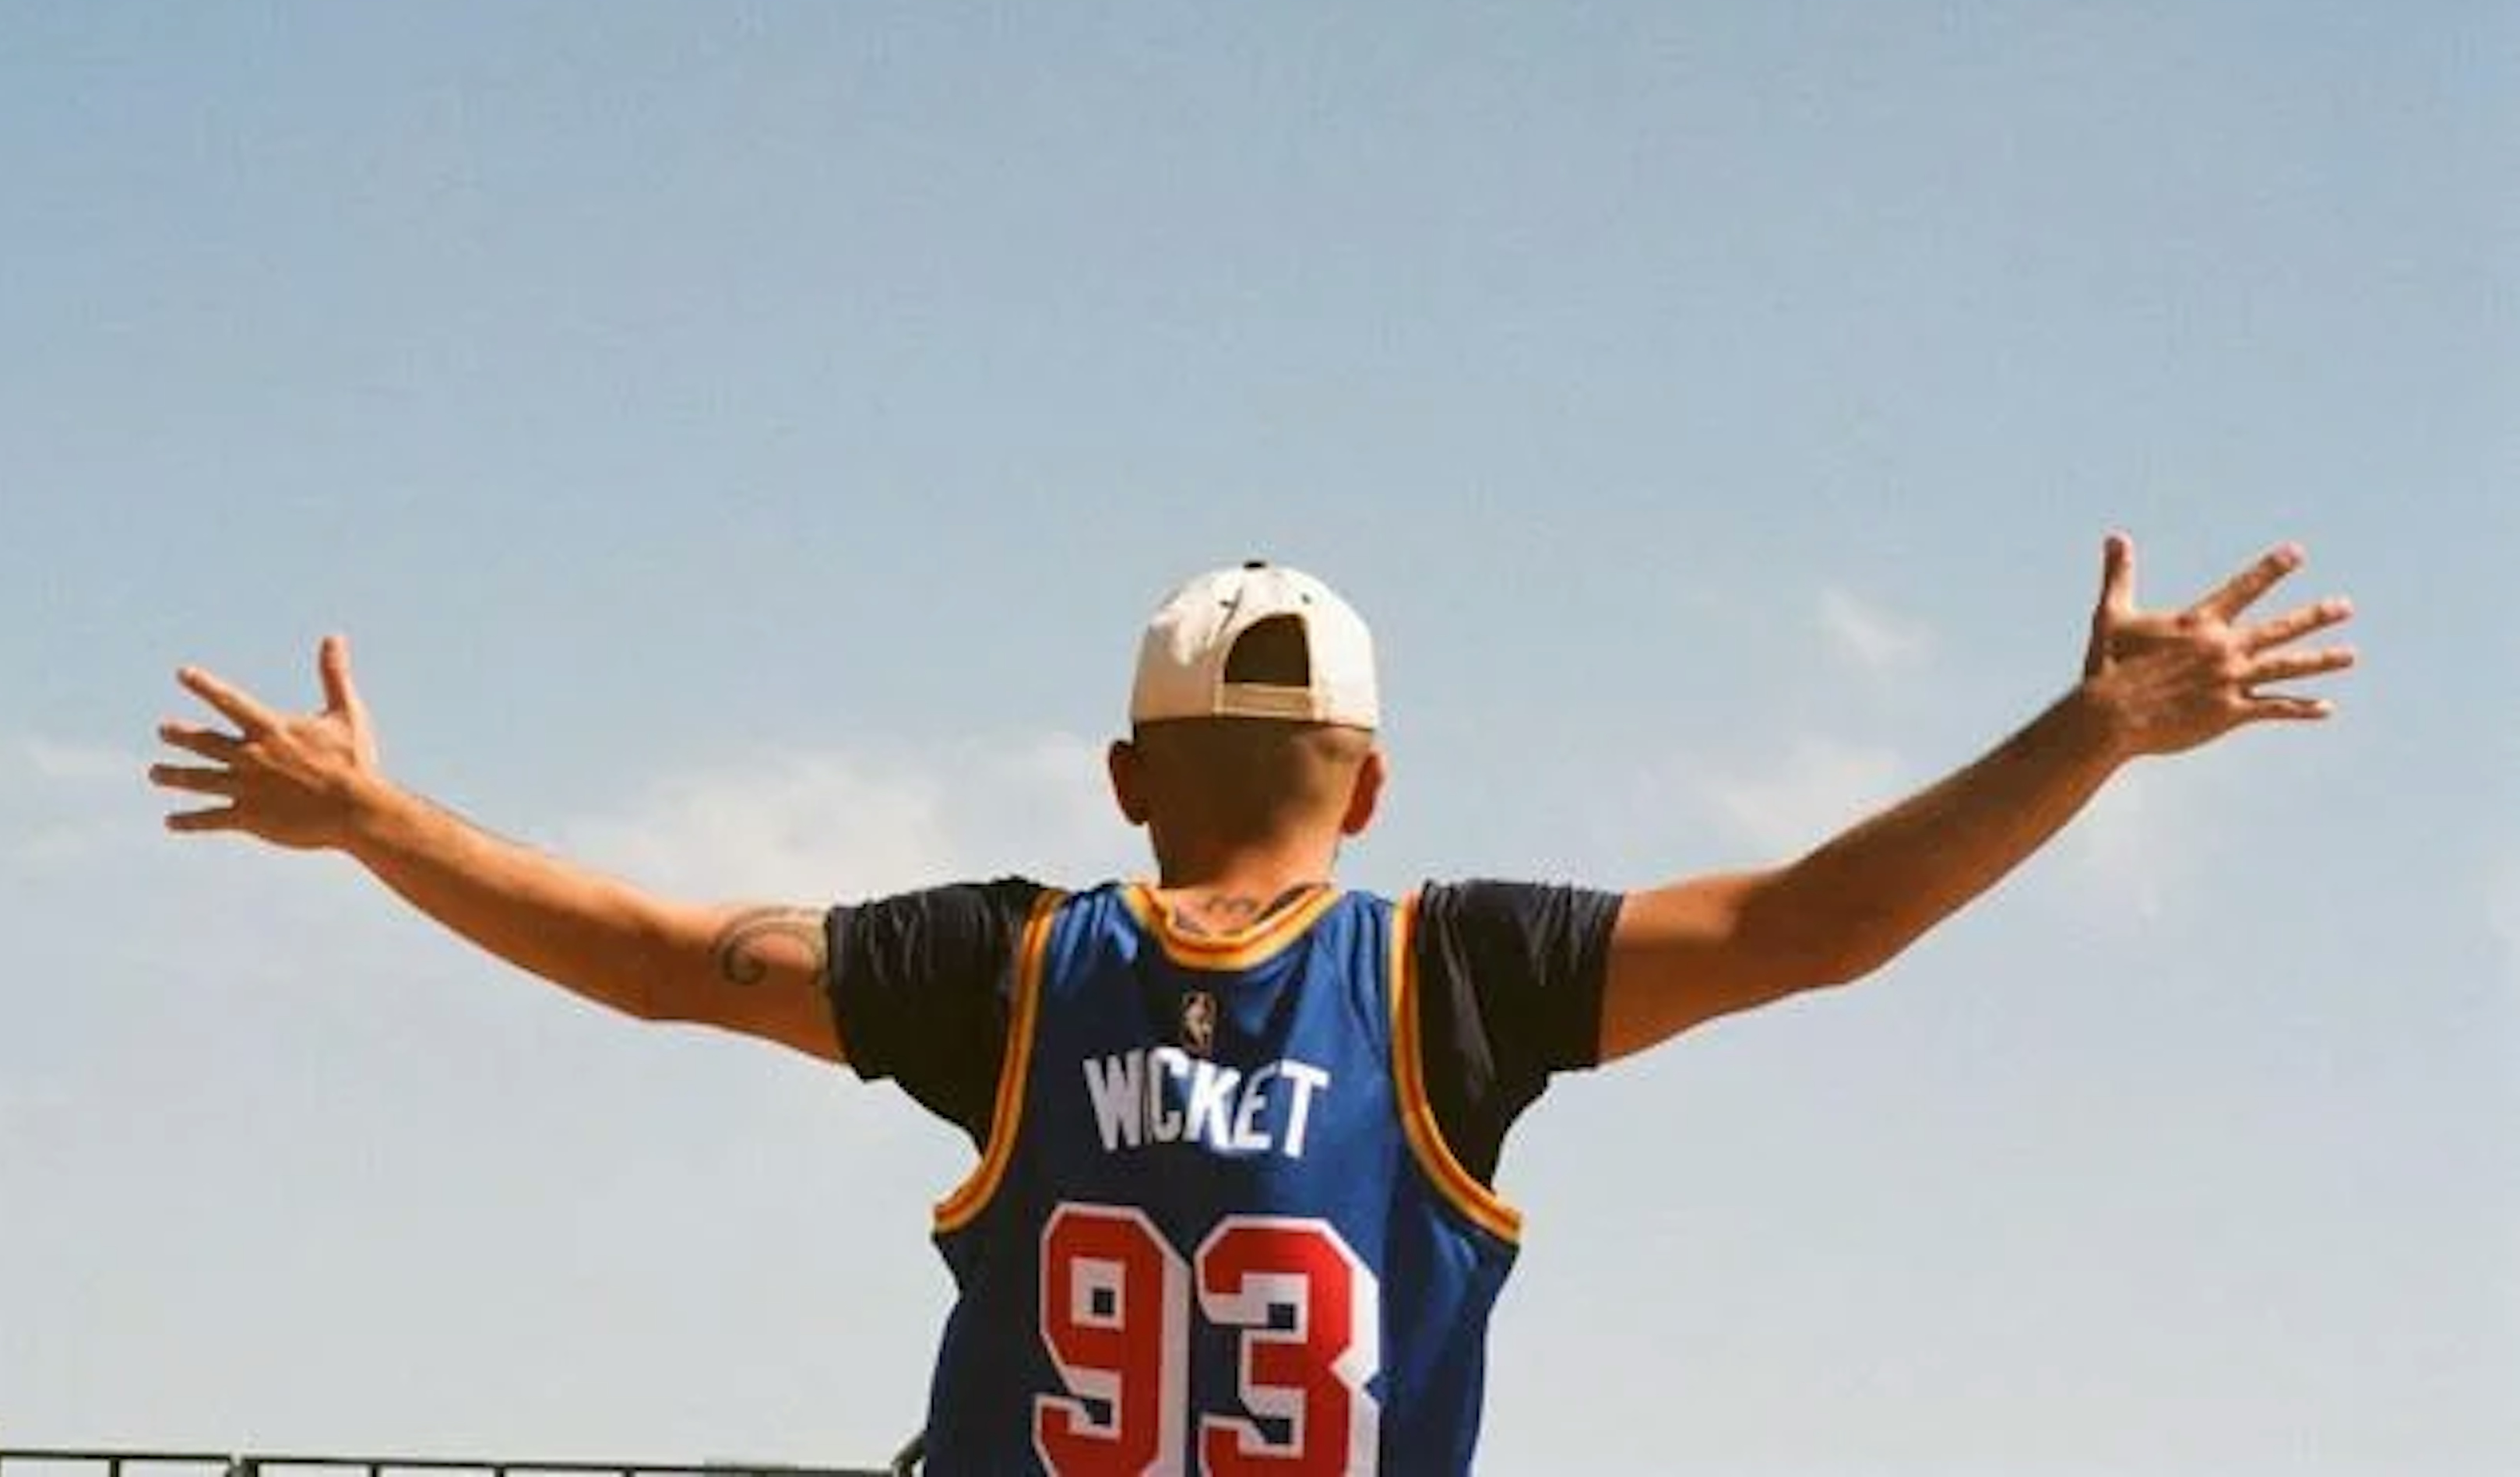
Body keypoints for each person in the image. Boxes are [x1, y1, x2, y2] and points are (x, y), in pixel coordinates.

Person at [150, 536, 2354, 1474]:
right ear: (1372, 785)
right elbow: (1817, 922)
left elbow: (655, 960)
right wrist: (2093, 728)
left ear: (1124, 777)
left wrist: (371, 817)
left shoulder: (1008, 964)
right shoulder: (1453, 974)